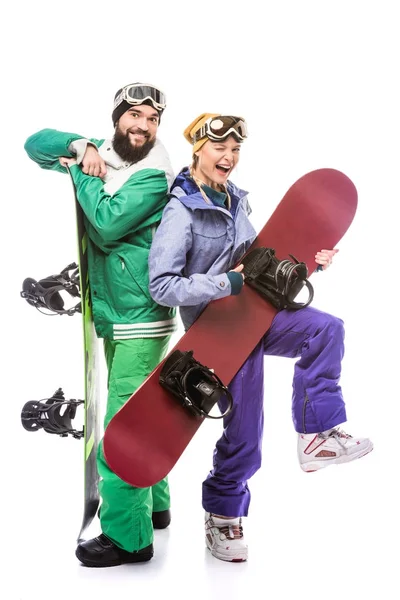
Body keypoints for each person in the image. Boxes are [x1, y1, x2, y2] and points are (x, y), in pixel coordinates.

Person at [148, 113, 373, 563]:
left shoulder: (235, 201)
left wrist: (312, 261)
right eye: (219, 149)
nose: (228, 157)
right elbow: (163, 286)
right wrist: (222, 285)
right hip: (218, 332)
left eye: (235, 150)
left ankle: (316, 435)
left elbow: (257, 261)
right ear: (198, 150)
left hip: (255, 312)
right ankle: (223, 513)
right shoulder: (180, 211)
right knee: (246, 429)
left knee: (326, 329)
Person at [24, 83, 177, 567]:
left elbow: (108, 223)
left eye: (152, 120)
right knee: (144, 410)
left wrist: (82, 176)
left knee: (123, 427)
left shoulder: (156, 175)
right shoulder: (106, 155)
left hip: (141, 319)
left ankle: (128, 539)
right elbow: (34, 144)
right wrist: (80, 148)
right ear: (117, 119)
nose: (143, 126)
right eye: (135, 115)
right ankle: (154, 506)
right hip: (118, 316)